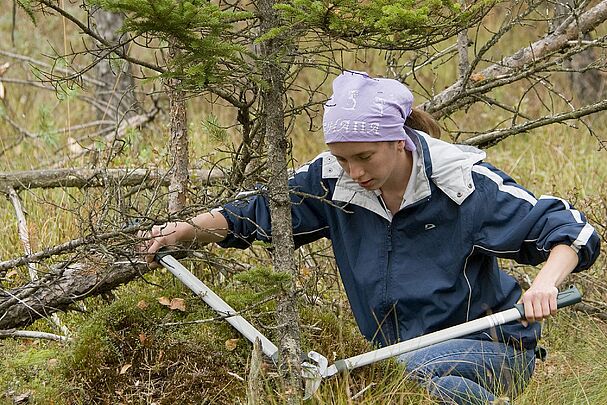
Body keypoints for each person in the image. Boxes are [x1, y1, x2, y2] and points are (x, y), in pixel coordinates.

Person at [141, 71, 600, 404]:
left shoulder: (462, 183)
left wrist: (546, 284)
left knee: (394, 380)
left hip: (491, 346)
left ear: (398, 140)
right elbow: (256, 212)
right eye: (343, 160)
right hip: (390, 354)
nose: (354, 172)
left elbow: (569, 228)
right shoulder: (331, 183)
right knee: (387, 382)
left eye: (364, 157)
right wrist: (187, 230)